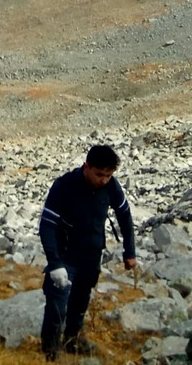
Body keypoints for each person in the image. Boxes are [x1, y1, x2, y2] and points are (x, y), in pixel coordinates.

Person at [38, 143, 136, 359]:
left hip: (92, 256)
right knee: (57, 304)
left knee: (81, 300)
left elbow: (125, 217)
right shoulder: (64, 186)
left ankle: (73, 341)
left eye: (108, 175)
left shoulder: (111, 186)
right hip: (66, 256)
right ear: (86, 166)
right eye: (99, 174)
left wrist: (130, 251)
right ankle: (50, 353)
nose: (103, 180)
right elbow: (47, 225)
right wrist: (55, 263)